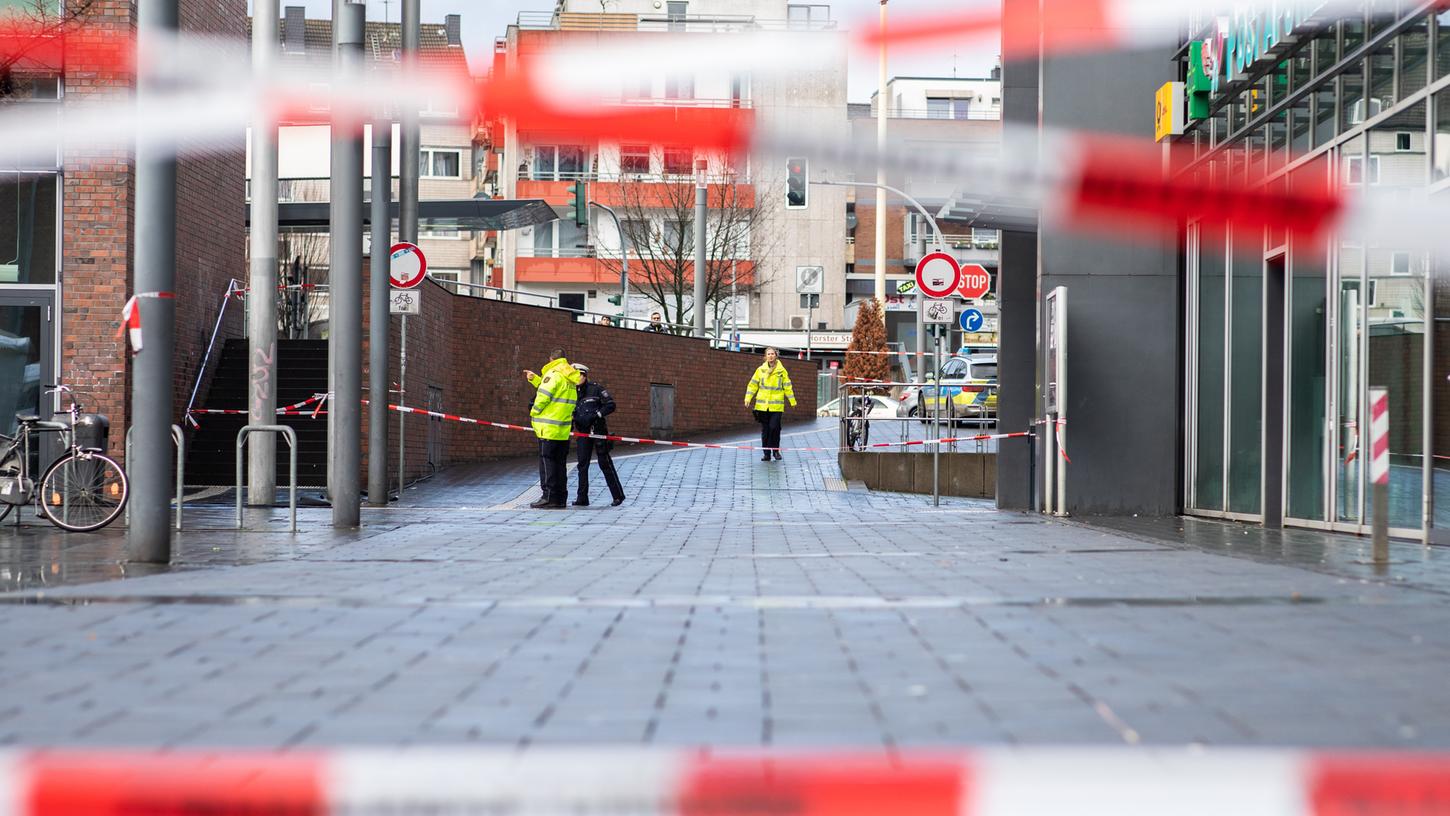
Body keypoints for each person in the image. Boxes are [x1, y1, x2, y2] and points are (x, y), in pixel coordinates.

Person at [523, 349, 582, 509]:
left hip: (548, 428)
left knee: (547, 463)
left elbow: (544, 395)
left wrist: (534, 411)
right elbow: (554, 392)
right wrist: (535, 379)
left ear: (551, 359)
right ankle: (560, 498)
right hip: (562, 429)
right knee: (560, 464)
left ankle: (548, 497)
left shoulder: (553, 374)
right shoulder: (569, 377)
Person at [571, 363, 626, 507]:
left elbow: (610, 405)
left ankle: (617, 496)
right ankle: (582, 498)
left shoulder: (596, 389)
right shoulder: (571, 392)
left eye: (579, 375)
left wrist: (597, 415)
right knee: (582, 465)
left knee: (604, 463)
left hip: (598, 431)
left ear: (584, 376)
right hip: (583, 433)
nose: (576, 378)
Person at [744, 347, 796, 462]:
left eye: (773, 354)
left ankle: (775, 451)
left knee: (774, 428)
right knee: (766, 430)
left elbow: (787, 386)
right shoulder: (760, 370)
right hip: (762, 406)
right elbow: (752, 385)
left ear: (776, 356)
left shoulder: (782, 371)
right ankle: (766, 453)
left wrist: (792, 401)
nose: (771, 356)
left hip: (776, 407)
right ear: (765, 356)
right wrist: (748, 398)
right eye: (769, 354)